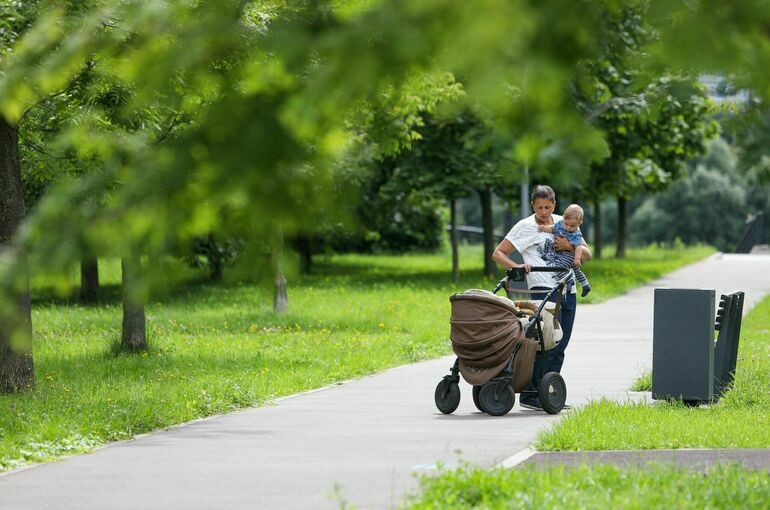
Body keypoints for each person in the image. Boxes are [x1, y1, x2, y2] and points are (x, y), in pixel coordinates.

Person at [491, 185, 592, 411]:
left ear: (554, 205)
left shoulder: (565, 221)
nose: (544, 212)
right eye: (539, 207)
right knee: (542, 344)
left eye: (548, 207)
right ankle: (530, 393)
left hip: (567, 289)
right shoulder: (525, 227)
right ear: (532, 206)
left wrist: (569, 245)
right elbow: (498, 253)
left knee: (560, 344)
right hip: (541, 290)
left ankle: (549, 393)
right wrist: (516, 266)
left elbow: (587, 254)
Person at [537, 203, 591, 297]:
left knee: (559, 267)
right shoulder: (560, 224)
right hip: (562, 255)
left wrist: (577, 259)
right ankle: (585, 284)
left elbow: (578, 247)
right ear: (563, 218)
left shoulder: (576, 234)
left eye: (573, 226)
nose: (568, 227)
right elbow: (553, 229)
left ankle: (569, 281)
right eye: (566, 224)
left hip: (569, 255)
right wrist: (545, 228)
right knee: (576, 270)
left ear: (579, 223)